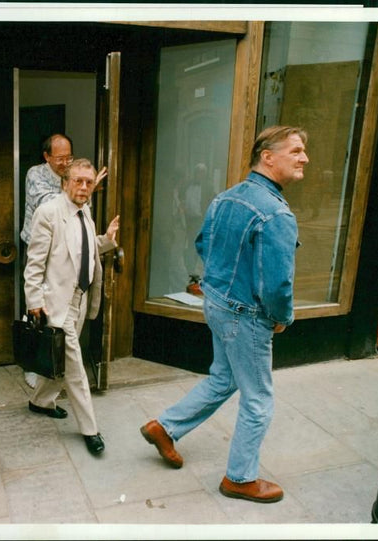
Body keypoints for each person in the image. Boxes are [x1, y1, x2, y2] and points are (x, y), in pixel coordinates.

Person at [139, 126, 309, 503]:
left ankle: (164, 427)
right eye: (296, 151)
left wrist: (222, 284)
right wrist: (283, 316)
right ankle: (240, 478)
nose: (304, 158)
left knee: (223, 378)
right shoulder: (277, 214)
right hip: (245, 314)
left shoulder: (225, 198)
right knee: (259, 399)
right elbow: (277, 285)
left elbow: (203, 244)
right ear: (268, 156)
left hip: (217, 304)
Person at [24, 158, 119, 456]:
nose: (83, 187)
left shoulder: (85, 211)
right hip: (56, 304)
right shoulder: (49, 212)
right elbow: (35, 262)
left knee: (59, 361)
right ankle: (91, 429)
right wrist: (35, 302)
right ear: (64, 183)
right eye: (77, 181)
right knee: (76, 368)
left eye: (88, 182)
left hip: (78, 300)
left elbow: (83, 247)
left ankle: (39, 401)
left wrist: (105, 241)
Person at [19, 133, 106, 388]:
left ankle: (53, 373)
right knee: (37, 311)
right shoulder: (36, 174)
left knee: (59, 315)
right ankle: (33, 367)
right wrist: (86, 187)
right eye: (60, 158)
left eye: (70, 157)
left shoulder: (74, 185)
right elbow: (49, 202)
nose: (66, 162)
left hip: (65, 247)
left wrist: (78, 185)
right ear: (47, 157)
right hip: (40, 246)